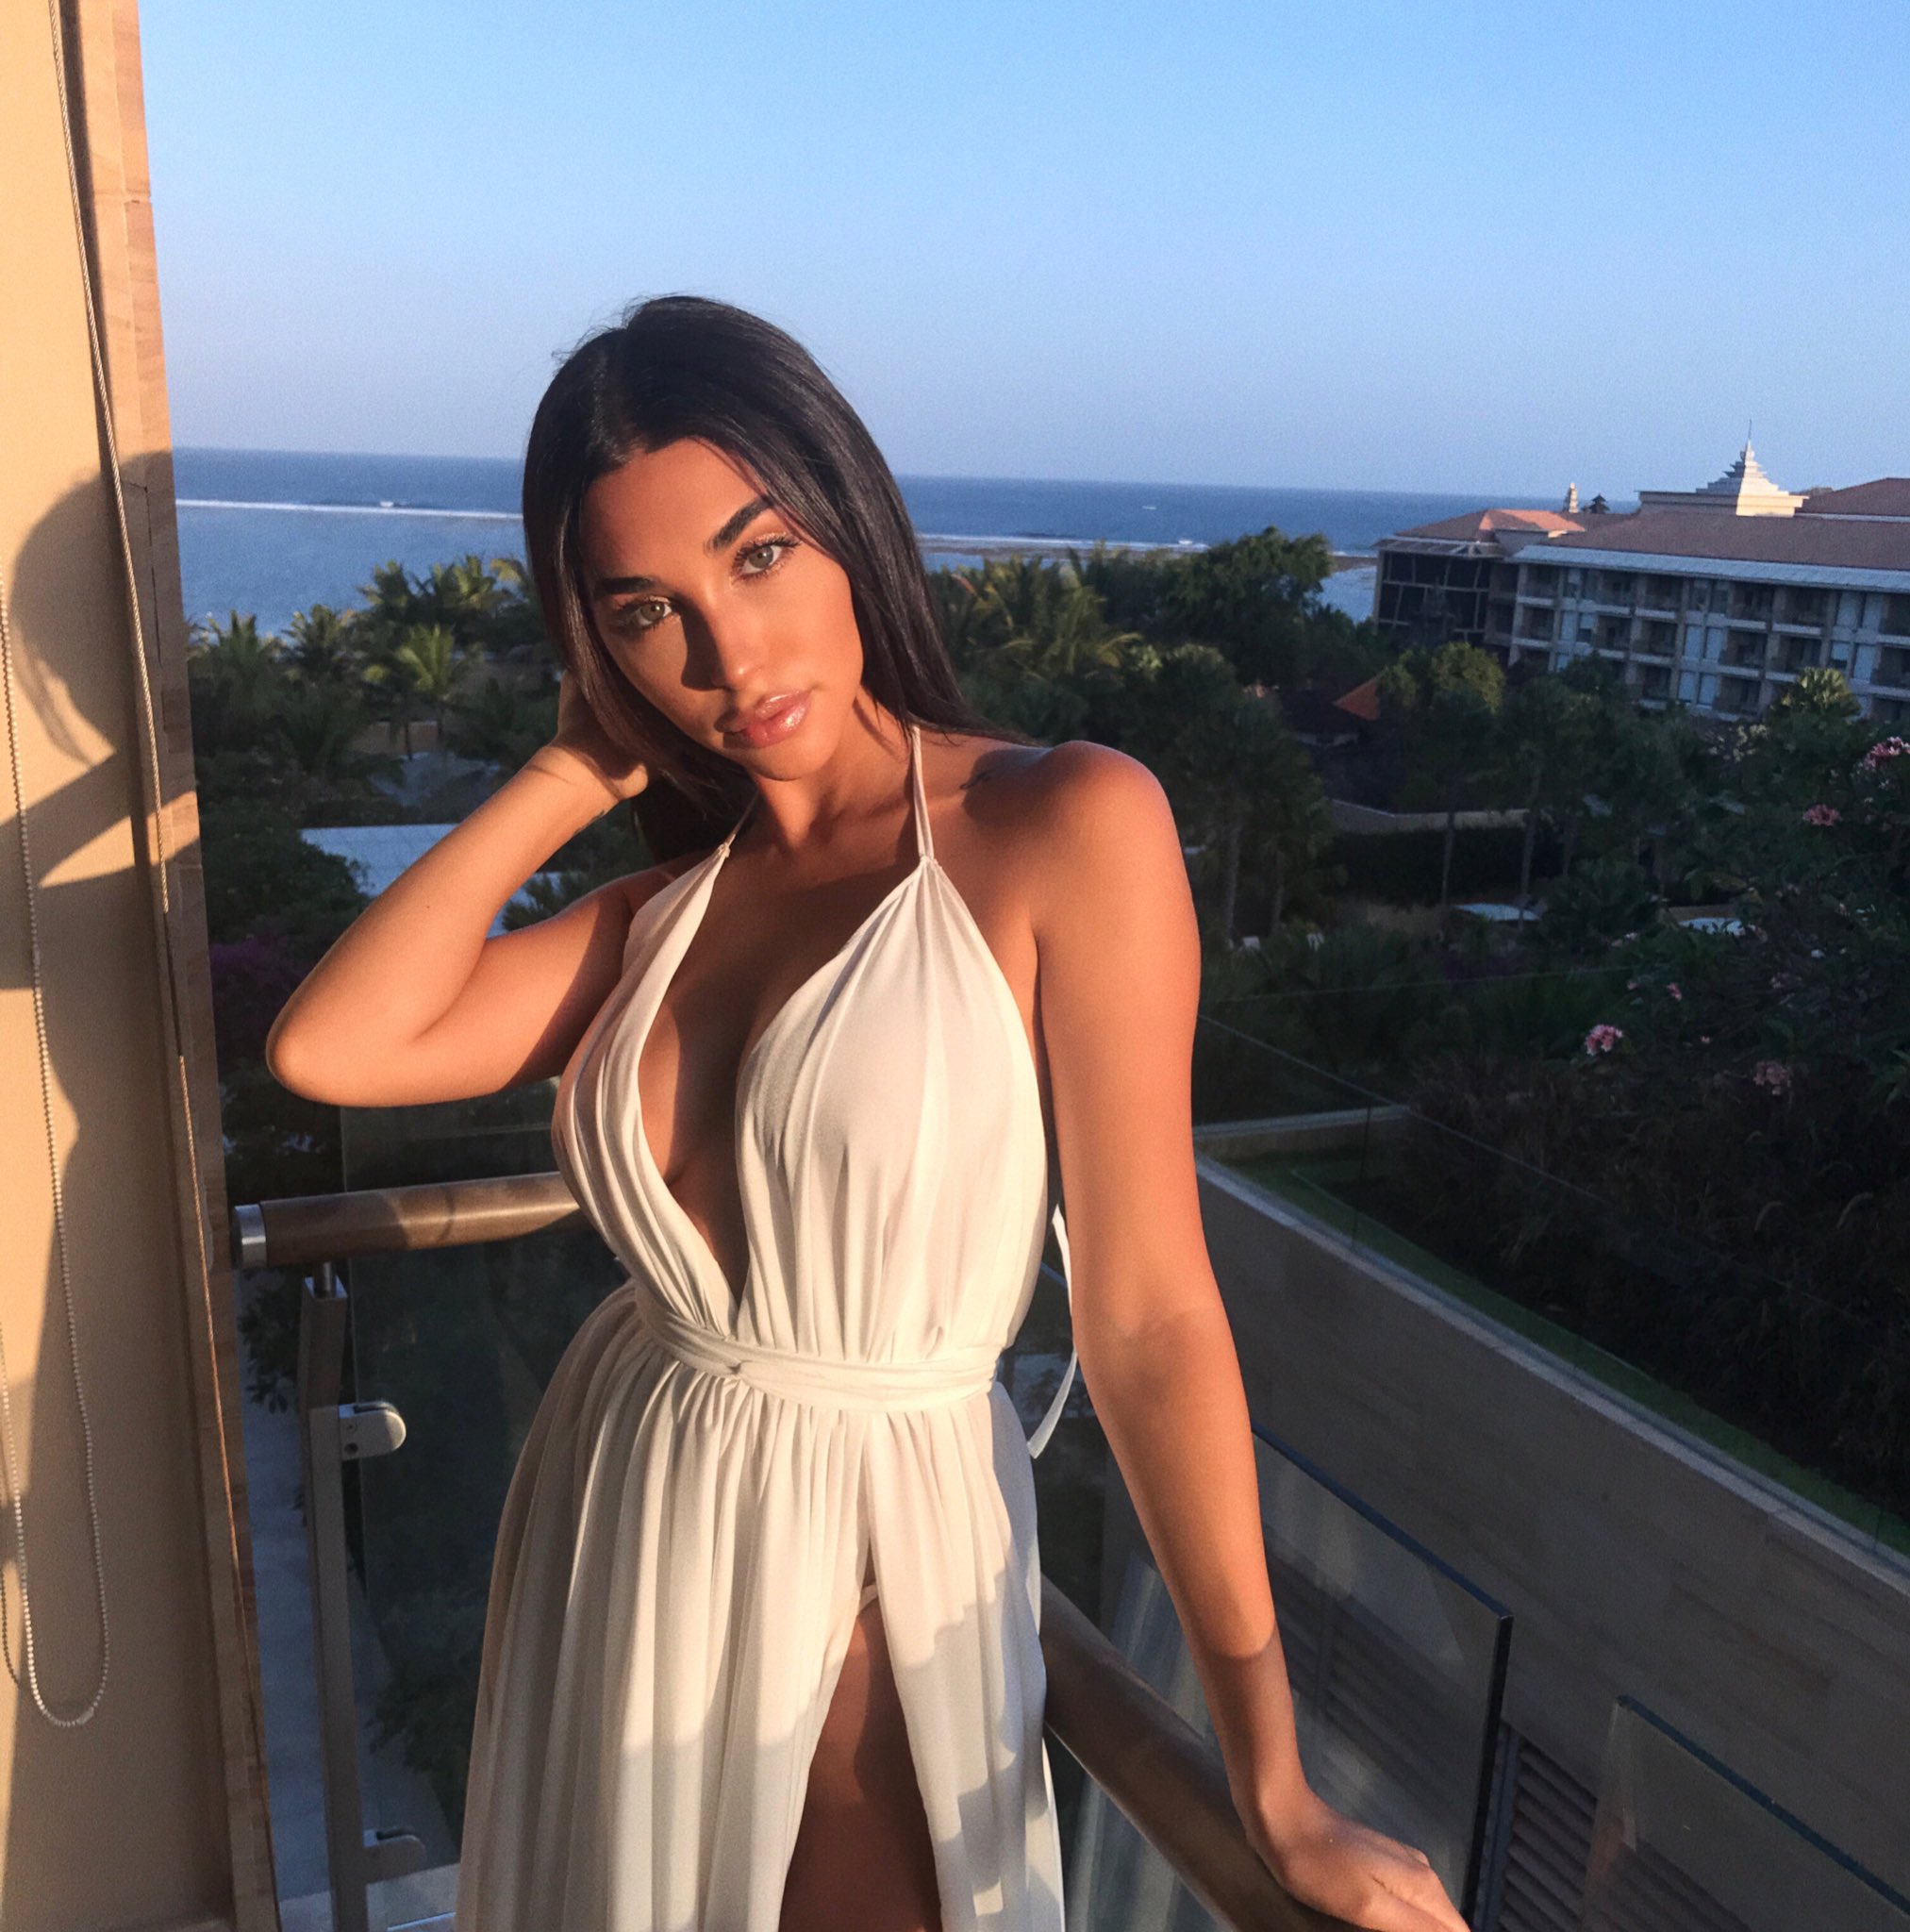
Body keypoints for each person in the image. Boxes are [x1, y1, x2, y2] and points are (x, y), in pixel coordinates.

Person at [265, 295, 1467, 1932]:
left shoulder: (1060, 823)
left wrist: (1272, 1780)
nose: (728, 657)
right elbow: (334, 1047)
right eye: (646, 613)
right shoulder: (659, 913)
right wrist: (570, 772)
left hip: (873, 1544)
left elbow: (1147, 1315)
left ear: (848, 523)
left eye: (758, 556)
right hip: (627, 1513)